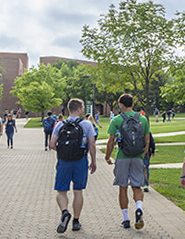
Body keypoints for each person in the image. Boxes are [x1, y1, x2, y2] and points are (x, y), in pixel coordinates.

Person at [49, 99, 98, 233]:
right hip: (80, 161)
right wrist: (93, 161)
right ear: (80, 109)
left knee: (61, 191)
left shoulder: (60, 124)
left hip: (64, 161)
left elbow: (52, 144)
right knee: (78, 191)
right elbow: (92, 144)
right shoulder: (87, 124)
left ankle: (65, 212)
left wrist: (63, 151)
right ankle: (76, 221)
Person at [104, 94, 151, 230]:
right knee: (137, 186)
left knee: (122, 187)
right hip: (137, 157)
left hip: (122, 156)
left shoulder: (117, 120)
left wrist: (107, 157)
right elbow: (147, 139)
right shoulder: (142, 119)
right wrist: (142, 154)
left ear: (121, 105)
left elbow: (111, 141)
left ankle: (125, 219)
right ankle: (139, 208)